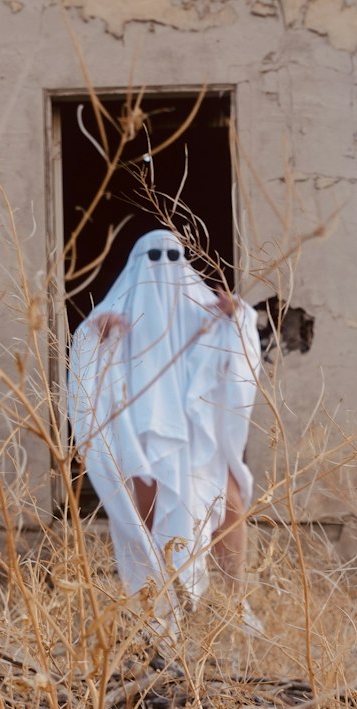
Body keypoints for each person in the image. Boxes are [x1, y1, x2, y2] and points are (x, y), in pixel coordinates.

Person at [67, 227, 262, 638]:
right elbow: (84, 356)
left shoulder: (201, 306)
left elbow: (242, 336)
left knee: (228, 505)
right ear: (137, 266)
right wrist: (95, 338)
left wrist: (237, 317)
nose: (164, 268)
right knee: (148, 516)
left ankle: (236, 601)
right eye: (154, 258)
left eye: (173, 257)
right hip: (145, 433)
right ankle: (158, 611)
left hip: (199, 434)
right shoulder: (119, 310)